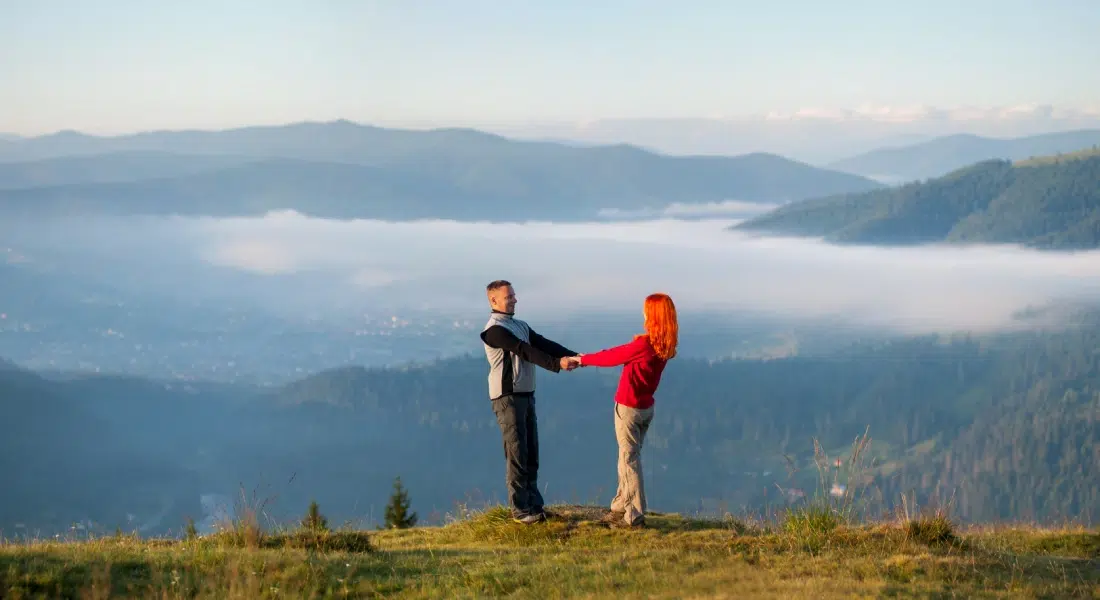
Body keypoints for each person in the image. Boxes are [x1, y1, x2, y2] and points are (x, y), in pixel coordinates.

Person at [568, 293, 678, 528]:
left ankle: (634, 515)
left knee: (629, 460)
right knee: (627, 454)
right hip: (646, 408)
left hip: (628, 409)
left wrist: (582, 359)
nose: (643, 313)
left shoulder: (643, 345)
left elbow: (612, 357)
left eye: (646, 310)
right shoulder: (664, 345)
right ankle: (620, 502)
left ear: (654, 315)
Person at [480, 280, 579, 524]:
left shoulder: (520, 325)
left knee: (531, 452)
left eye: (514, 295)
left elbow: (542, 344)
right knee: (517, 453)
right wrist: (557, 364)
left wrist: (575, 355)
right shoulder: (494, 330)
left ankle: (535, 506)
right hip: (507, 397)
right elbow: (524, 350)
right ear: (493, 301)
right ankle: (520, 510)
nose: (514, 299)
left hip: (525, 394)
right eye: (509, 296)